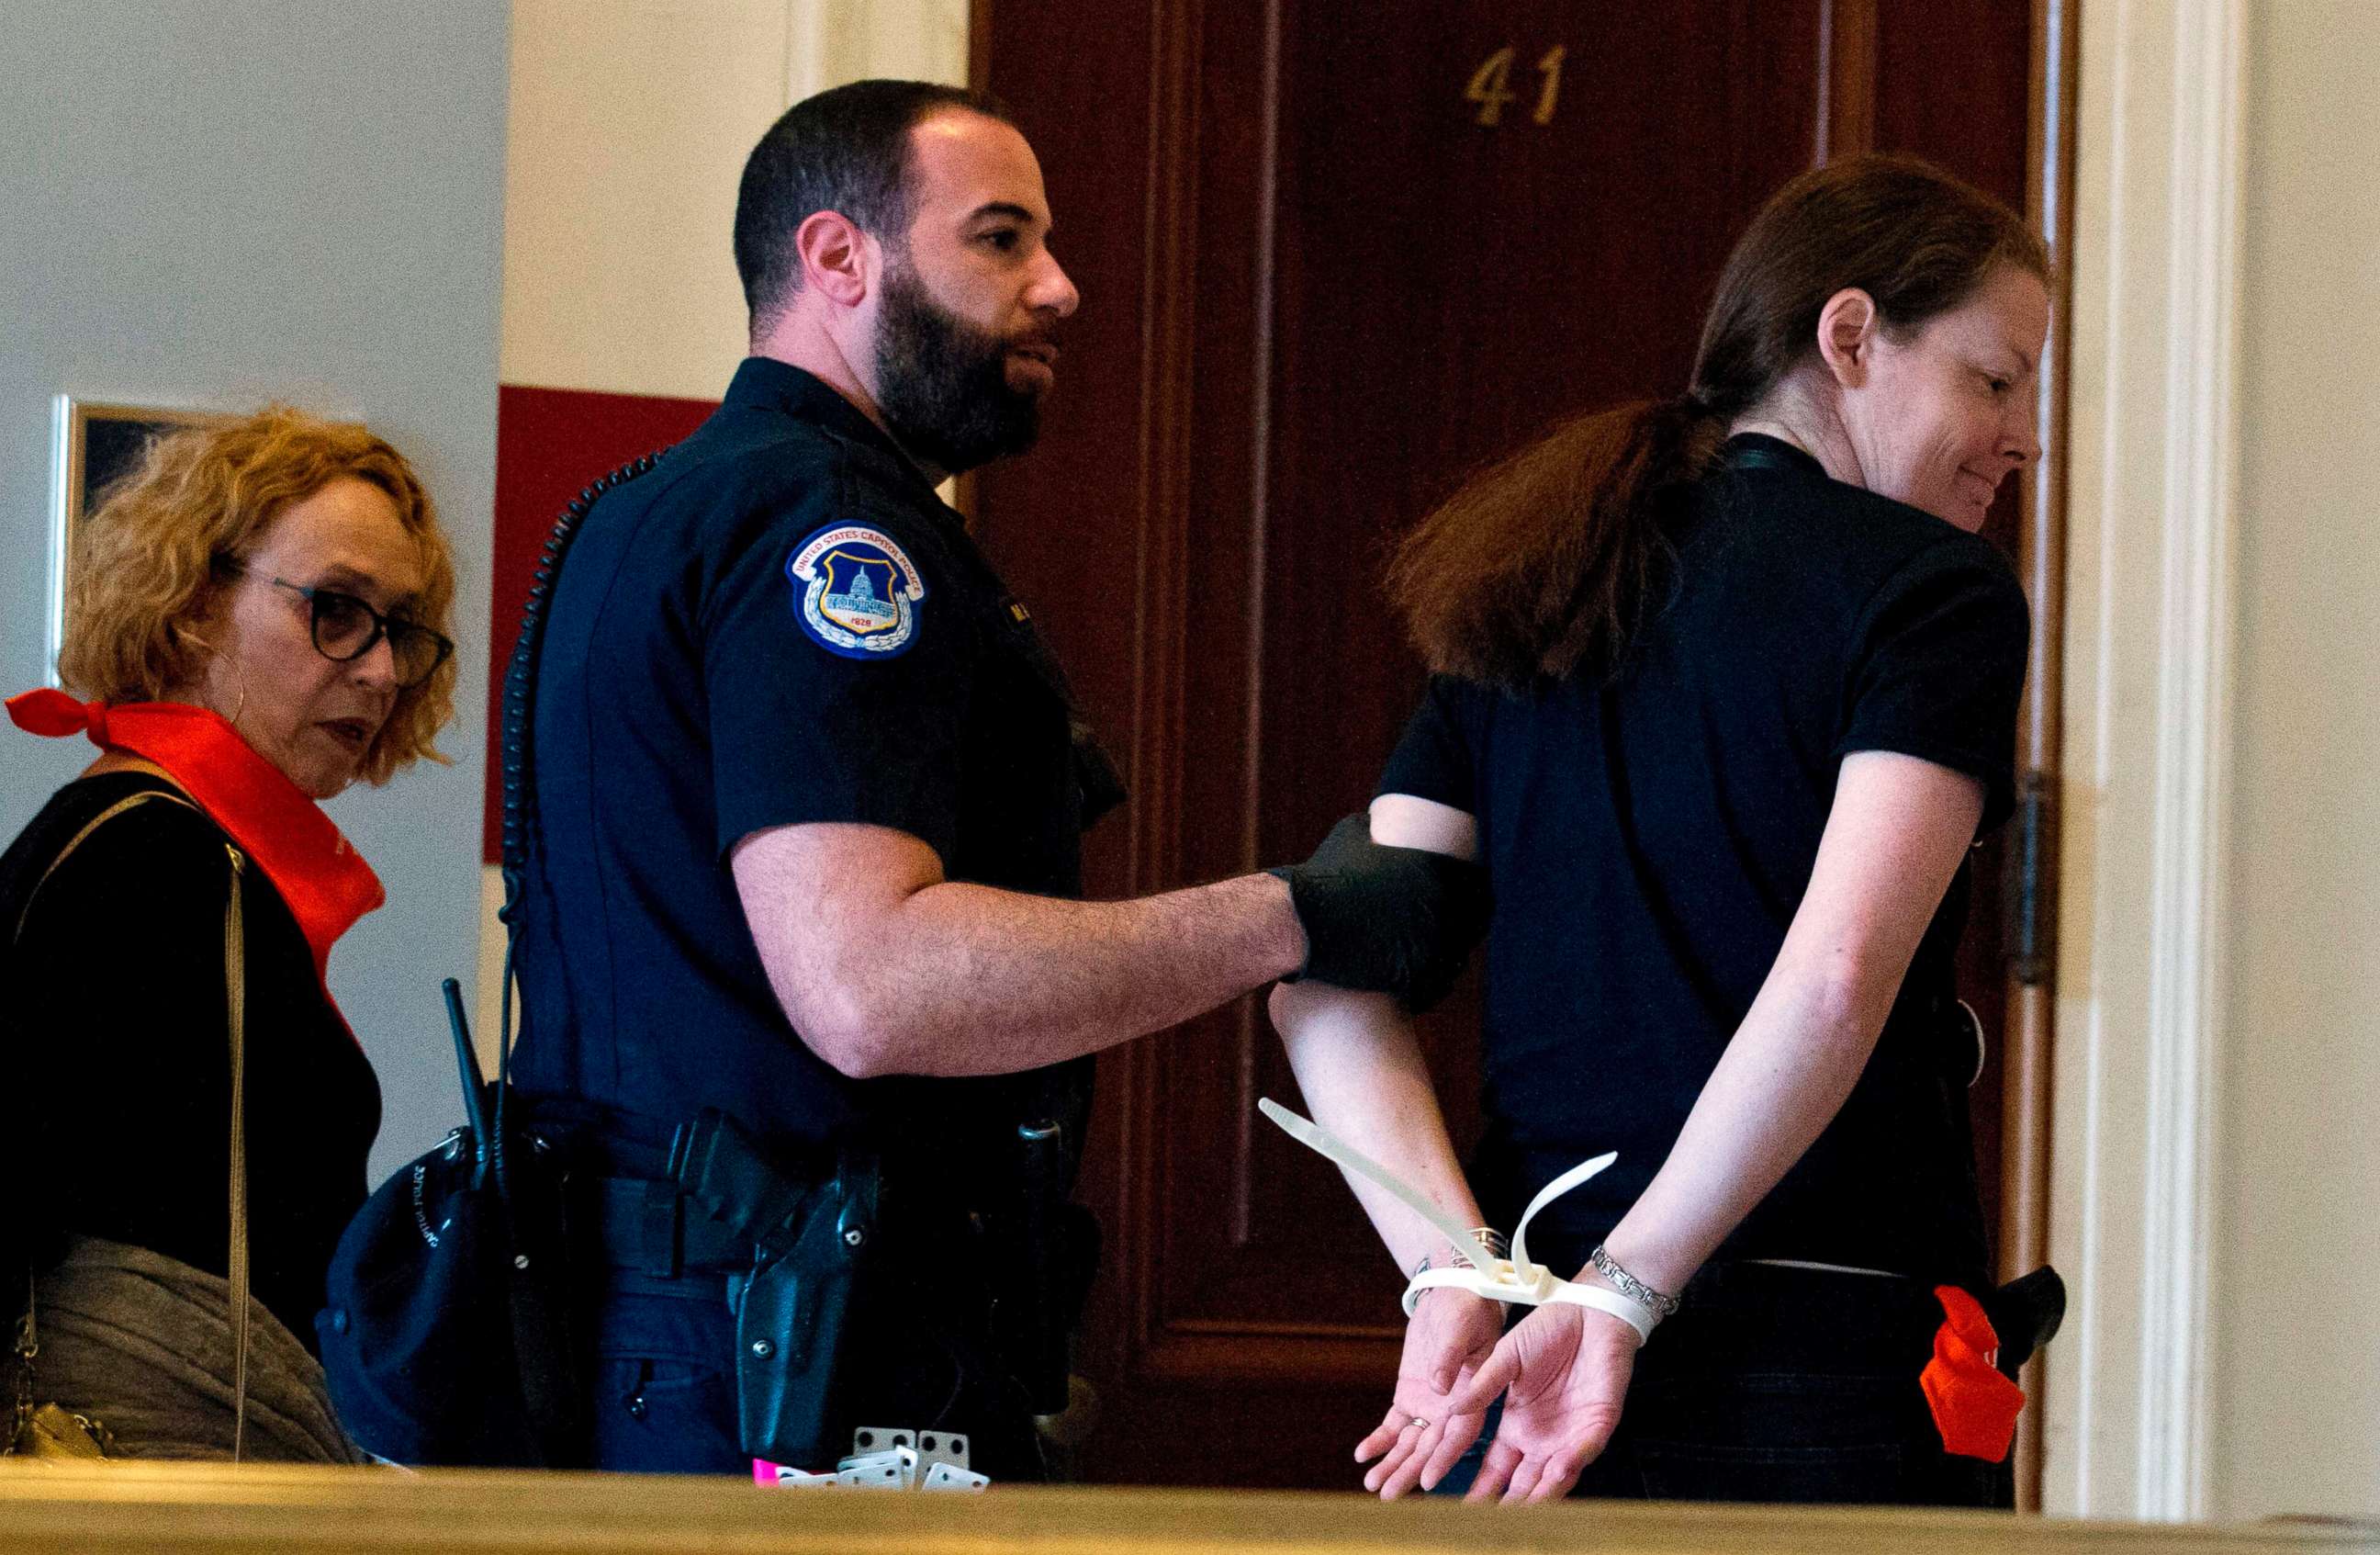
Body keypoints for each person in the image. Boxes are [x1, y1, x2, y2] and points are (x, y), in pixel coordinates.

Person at [506, 79, 1475, 1479]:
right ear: (839, 258)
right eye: (1002, 240)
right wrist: (1302, 913)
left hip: (662, 1347)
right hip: (799, 1362)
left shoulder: (642, 509)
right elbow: (869, 983)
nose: (1063, 288)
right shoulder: (831, 536)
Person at [1267, 153, 2051, 1508]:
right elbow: (1835, 975)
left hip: (1521, 1375)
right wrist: (1623, 1298)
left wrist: (1448, 1267)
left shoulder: (1543, 574)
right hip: (1812, 1373)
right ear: (1851, 335)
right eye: (1996, 378)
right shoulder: (1935, 595)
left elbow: (1331, 977)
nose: (2025, 434)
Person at [2, 407, 458, 1460]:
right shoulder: (150, 862)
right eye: (337, 612)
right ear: (196, 606)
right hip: (147, 1489)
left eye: (401, 628)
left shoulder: (166, 845)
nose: (383, 672)